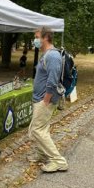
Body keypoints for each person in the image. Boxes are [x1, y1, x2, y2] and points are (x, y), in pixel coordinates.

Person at [28, 27, 68, 172]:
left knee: (37, 130)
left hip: (44, 100)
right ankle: (42, 154)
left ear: (45, 38)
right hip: (40, 98)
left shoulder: (52, 56)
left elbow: (52, 80)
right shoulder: (46, 54)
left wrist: (45, 100)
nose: (35, 39)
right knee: (40, 129)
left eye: (37, 36)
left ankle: (58, 161)